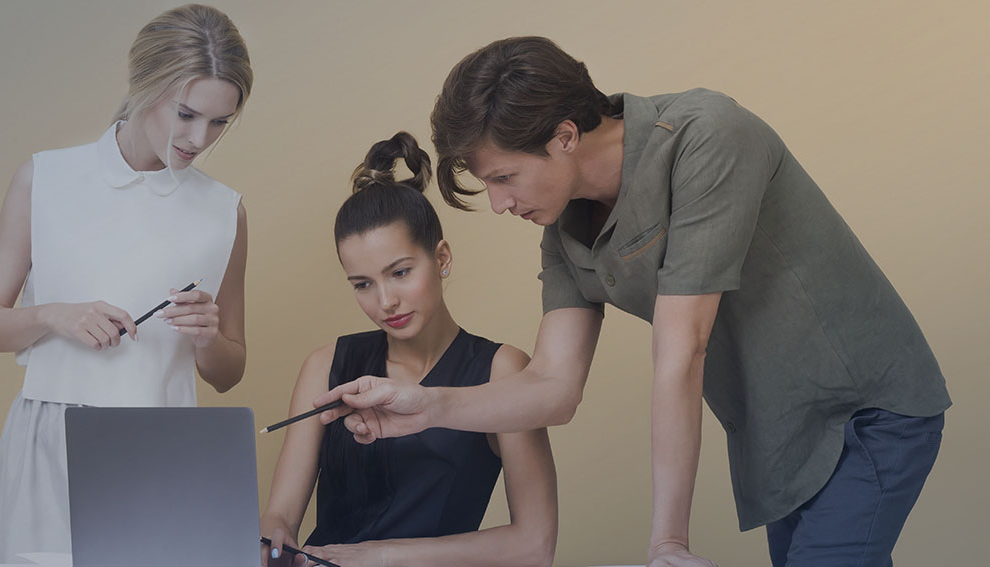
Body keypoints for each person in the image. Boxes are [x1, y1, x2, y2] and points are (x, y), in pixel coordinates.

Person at [315, 37, 951, 567]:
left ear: (564, 135)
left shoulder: (706, 136)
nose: (500, 203)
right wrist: (422, 405)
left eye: (504, 178)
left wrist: (667, 541)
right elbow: (553, 388)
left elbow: (683, 347)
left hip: (863, 411)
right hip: (774, 434)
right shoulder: (562, 223)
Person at [0, 5, 253, 562]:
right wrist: (52, 315)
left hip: (163, 452)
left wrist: (207, 337)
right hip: (50, 443)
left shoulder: (225, 212)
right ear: (144, 85)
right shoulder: (44, 179)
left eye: (220, 121)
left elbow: (228, 374)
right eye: (187, 113)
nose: (200, 138)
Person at [259, 132, 557, 567]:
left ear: (442, 259)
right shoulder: (326, 366)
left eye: (399, 272)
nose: (385, 302)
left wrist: (375, 557)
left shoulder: (502, 371)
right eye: (362, 284)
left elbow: (534, 547)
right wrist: (272, 541)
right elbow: (279, 515)